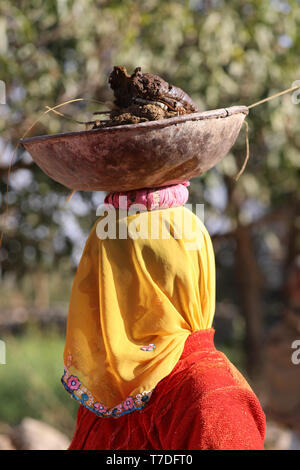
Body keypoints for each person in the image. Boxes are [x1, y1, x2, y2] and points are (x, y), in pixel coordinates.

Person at [62, 183, 265, 450]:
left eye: (120, 277)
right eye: (98, 277)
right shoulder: (104, 390)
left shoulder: (210, 396)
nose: (100, 297)